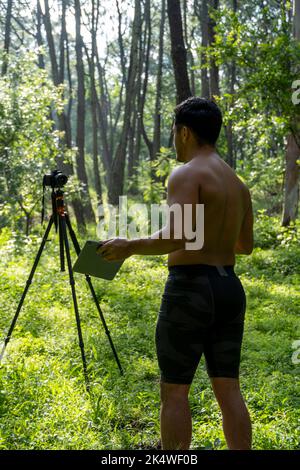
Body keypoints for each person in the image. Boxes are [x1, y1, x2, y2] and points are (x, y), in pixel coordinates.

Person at [97, 97, 253, 450]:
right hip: (229, 287)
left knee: (175, 391)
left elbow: (176, 235)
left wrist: (129, 245)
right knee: (228, 387)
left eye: (173, 132)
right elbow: (245, 246)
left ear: (184, 132)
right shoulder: (238, 183)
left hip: (190, 289)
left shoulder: (185, 173)